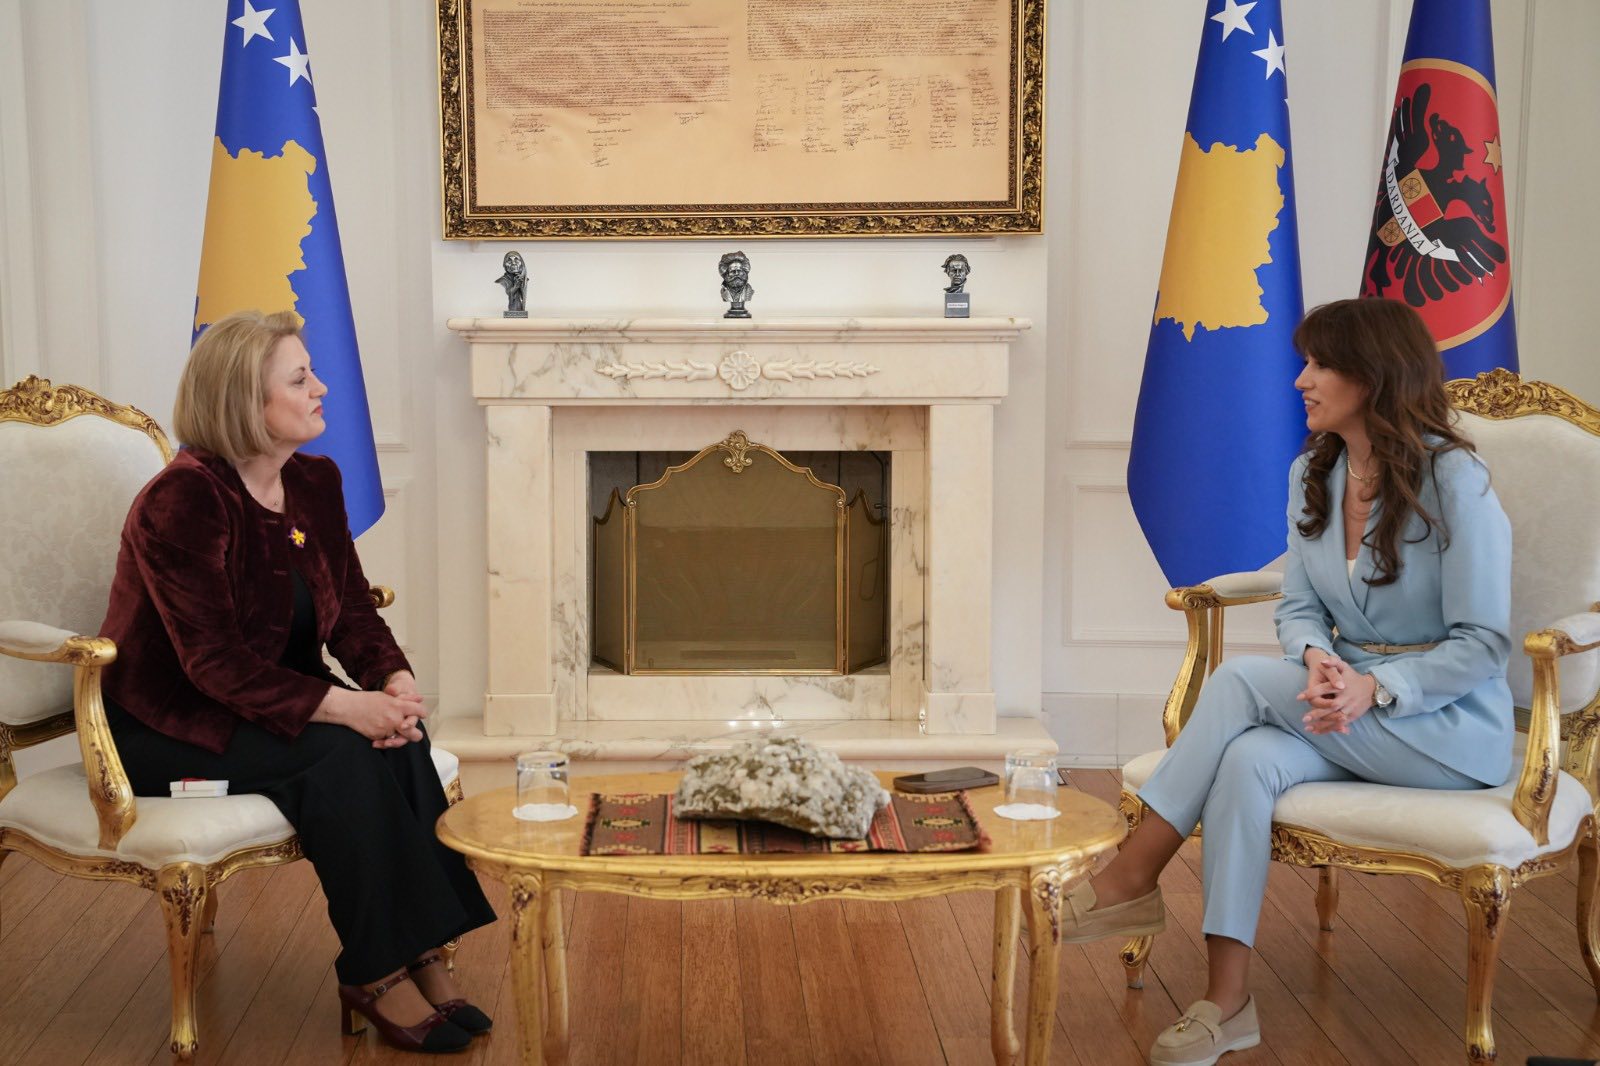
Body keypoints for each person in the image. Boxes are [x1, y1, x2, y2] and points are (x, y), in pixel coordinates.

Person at [1064, 298, 1513, 1066]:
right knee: (1246, 761)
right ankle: (1227, 1003)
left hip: (1446, 729)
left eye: (1320, 364)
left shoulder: (1456, 480)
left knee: (1239, 684)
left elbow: (1486, 643)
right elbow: (1300, 604)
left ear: (1374, 376)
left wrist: (1377, 687)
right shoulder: (1316, 470)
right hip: (1343, 707)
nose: (1301, 379)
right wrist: (1315, 658)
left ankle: (1132, 874)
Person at [98, 310, 497, 1054]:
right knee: (343, 754)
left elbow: (352, 609)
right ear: (245, 401)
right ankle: (375, 972)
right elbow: (212, 664)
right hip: (170, 726)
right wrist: (345, 707)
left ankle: (424, 954)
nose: (322, 388)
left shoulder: (314, 481)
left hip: (269, 703)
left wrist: (392, 681)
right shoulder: (183, 501)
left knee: (402, 738)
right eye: (300, 378)